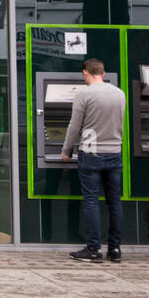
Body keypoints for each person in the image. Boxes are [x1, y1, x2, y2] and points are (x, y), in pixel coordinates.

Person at [60, 57, 126, 264]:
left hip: (91, 152)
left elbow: (74, 126)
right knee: (114, 202)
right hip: (114, 152)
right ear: (103, 73)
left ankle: (94, 249)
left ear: (85, 73)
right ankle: (115, 249)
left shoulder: (83, 93)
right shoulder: (119, 93)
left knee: (91, 201)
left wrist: (66, 150)